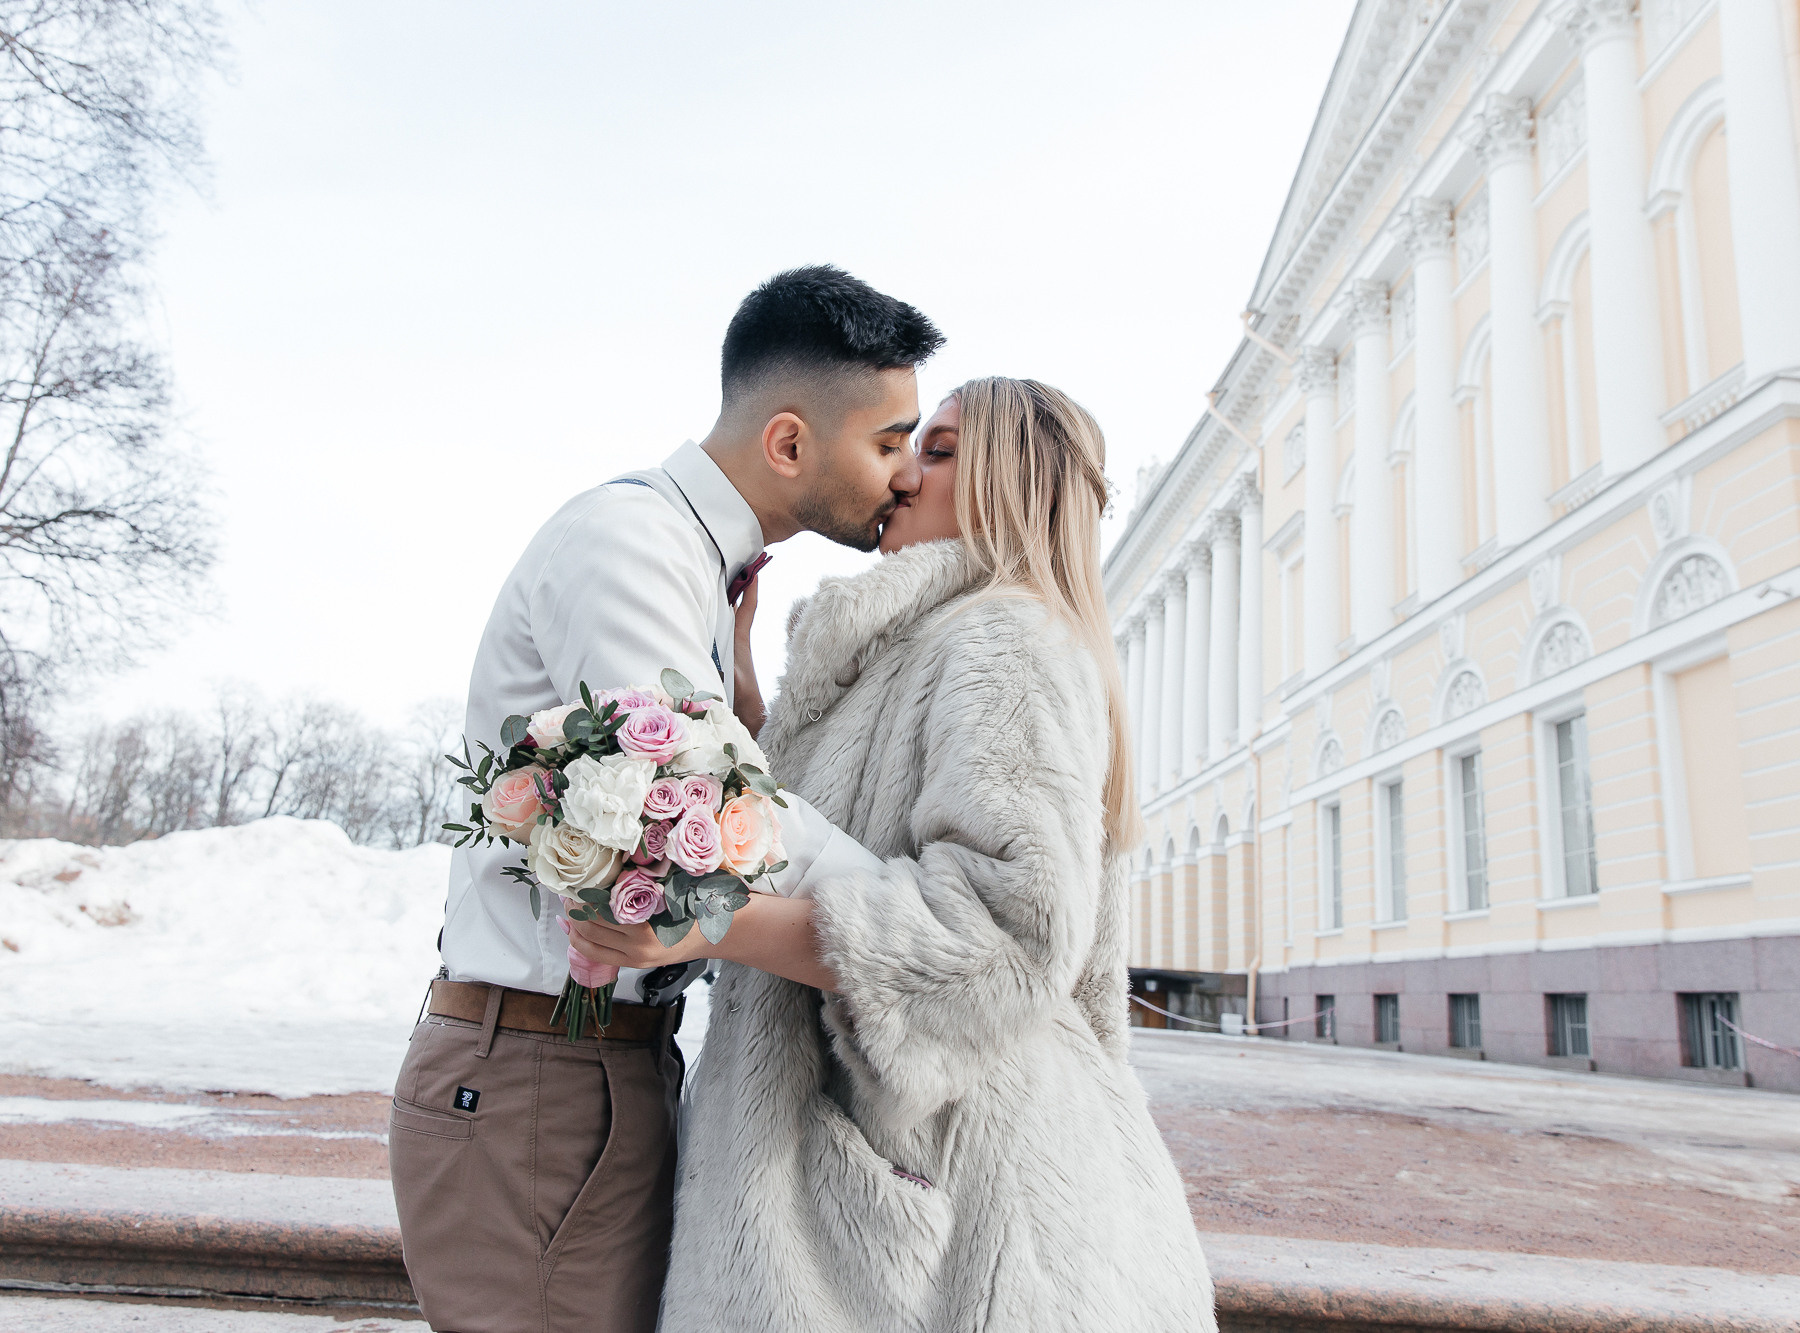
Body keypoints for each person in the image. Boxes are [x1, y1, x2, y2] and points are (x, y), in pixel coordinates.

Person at [573, 379, 1215, 1331]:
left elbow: (1005, 931)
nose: (906, 470)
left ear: (1012, 483)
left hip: (943, 1198)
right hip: (905, 1169)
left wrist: (710, 925)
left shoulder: (1004, 638)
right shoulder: (930, 645)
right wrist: (750, 689)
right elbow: (829, 838)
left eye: (944, 450)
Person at [388, 265, 943, 1333]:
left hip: (590, 1069)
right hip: (538, 1077)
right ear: (788, 443)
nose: (902, 475)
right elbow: (705, 801)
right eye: (886, 441)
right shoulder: (630, 546)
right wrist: (914, 925)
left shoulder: (694, 564)